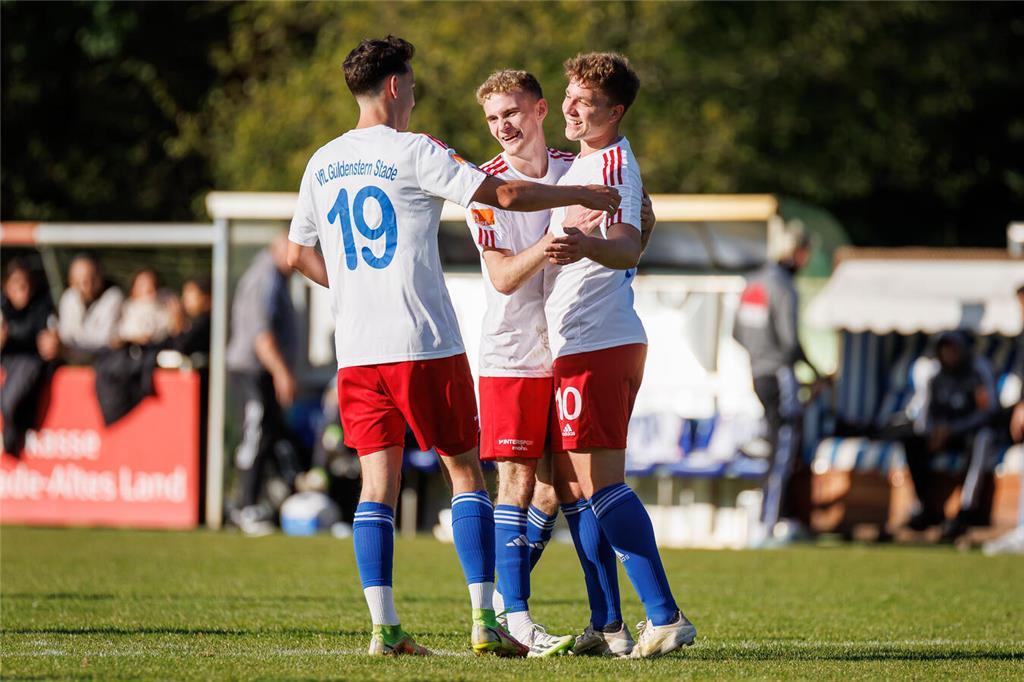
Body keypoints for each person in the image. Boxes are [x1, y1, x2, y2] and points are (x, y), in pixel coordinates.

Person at [285, 36, 619, 658]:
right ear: (393, 87)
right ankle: (484, 621)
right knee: (467, 476)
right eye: (410, 84)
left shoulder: (320, 161)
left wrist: (358, 286)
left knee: (374, 487)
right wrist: (578, 195)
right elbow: (508, 195)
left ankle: (385, 630)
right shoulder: (414, 150)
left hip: (357, 349)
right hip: (422, 341)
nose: (414, 95)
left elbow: (297, 252)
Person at [465, 69, 626, 658]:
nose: (502, 127)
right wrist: (548, 248)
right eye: (492, 119)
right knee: (514, 482)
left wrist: (636, 233)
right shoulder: (484, 187)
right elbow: (504, 277)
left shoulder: (576, 168)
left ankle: (594, 621)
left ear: (538, 110)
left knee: (562, 490)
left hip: (567, 349)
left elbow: (632, 214)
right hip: (511, 353)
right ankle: (514, 617)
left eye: (510, 113)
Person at [540, 52, 696, 659]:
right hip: (583, 342)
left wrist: (585, 244)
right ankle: (607, 624)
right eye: (569, 96)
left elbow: (628, 245)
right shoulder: (585, 161)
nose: (572, 108)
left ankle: (664, 614)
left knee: (599, 483)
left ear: (616, 110)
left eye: (586, 101)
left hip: (598, 341)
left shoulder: (613, 162)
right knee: (576, 488)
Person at [732, 224, 821, 546]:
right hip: (780, 374)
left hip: (758, 373)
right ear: (799, 252)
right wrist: (815, 370)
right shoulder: (784, 286)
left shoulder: (753, 283)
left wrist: (760, 356)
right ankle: (770, 523)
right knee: (783, 450)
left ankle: (772, 519)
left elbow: (737, 333)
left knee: (774, 445)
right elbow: (789, 342)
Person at [225, 234, 304, 537]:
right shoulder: (265, 277)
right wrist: (282, 373)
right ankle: (245, 507)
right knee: (255, 437)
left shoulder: (275, 278)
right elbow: (262, 336)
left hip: (260, 372)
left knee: (267, 436)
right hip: (254, 371)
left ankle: (252, 503)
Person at [900, 331, 998, 541]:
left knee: (983, 438)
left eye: (953, 349)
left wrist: (953, 429)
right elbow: (926, 417)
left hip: (969, 433)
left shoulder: (976, 374)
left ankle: (965, 509)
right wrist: (933, 432)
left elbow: (987, 413)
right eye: (945, 349)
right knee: (913, 442)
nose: (949, 354)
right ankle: (925, 506)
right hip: (944, 437)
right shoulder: (936, 378)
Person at [1, 259, 60, 455]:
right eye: (17, 284)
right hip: (10, 365)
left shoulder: (43, 306)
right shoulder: (3, 309)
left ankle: (12, 434)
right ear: (7, 287)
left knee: (23, 373)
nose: (23, 289)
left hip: (32, 365)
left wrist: (54, 343)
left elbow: (50, 342)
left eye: (26, 283)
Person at [57, 254, 123, 362]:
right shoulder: (68, 297)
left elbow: (104, 340)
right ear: (71, 281)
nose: (87, 285)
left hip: (105, 363)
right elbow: (66, 336)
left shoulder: (114, 297)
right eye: (79, 281)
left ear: (100, 277)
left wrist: (70, 346)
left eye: (91, 279)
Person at [117, 268, 174, 347]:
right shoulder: (123, 310)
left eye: (153, 284)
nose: (150, 288)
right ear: (133, 289)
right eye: (144, 285)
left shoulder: (167, 307)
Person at [168, 277, 212, 357]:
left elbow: (182, 350)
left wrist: (178, 327)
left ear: (205, 298)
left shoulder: (205, 322)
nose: (184, 300)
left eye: (190, 294)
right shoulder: (195, 321)